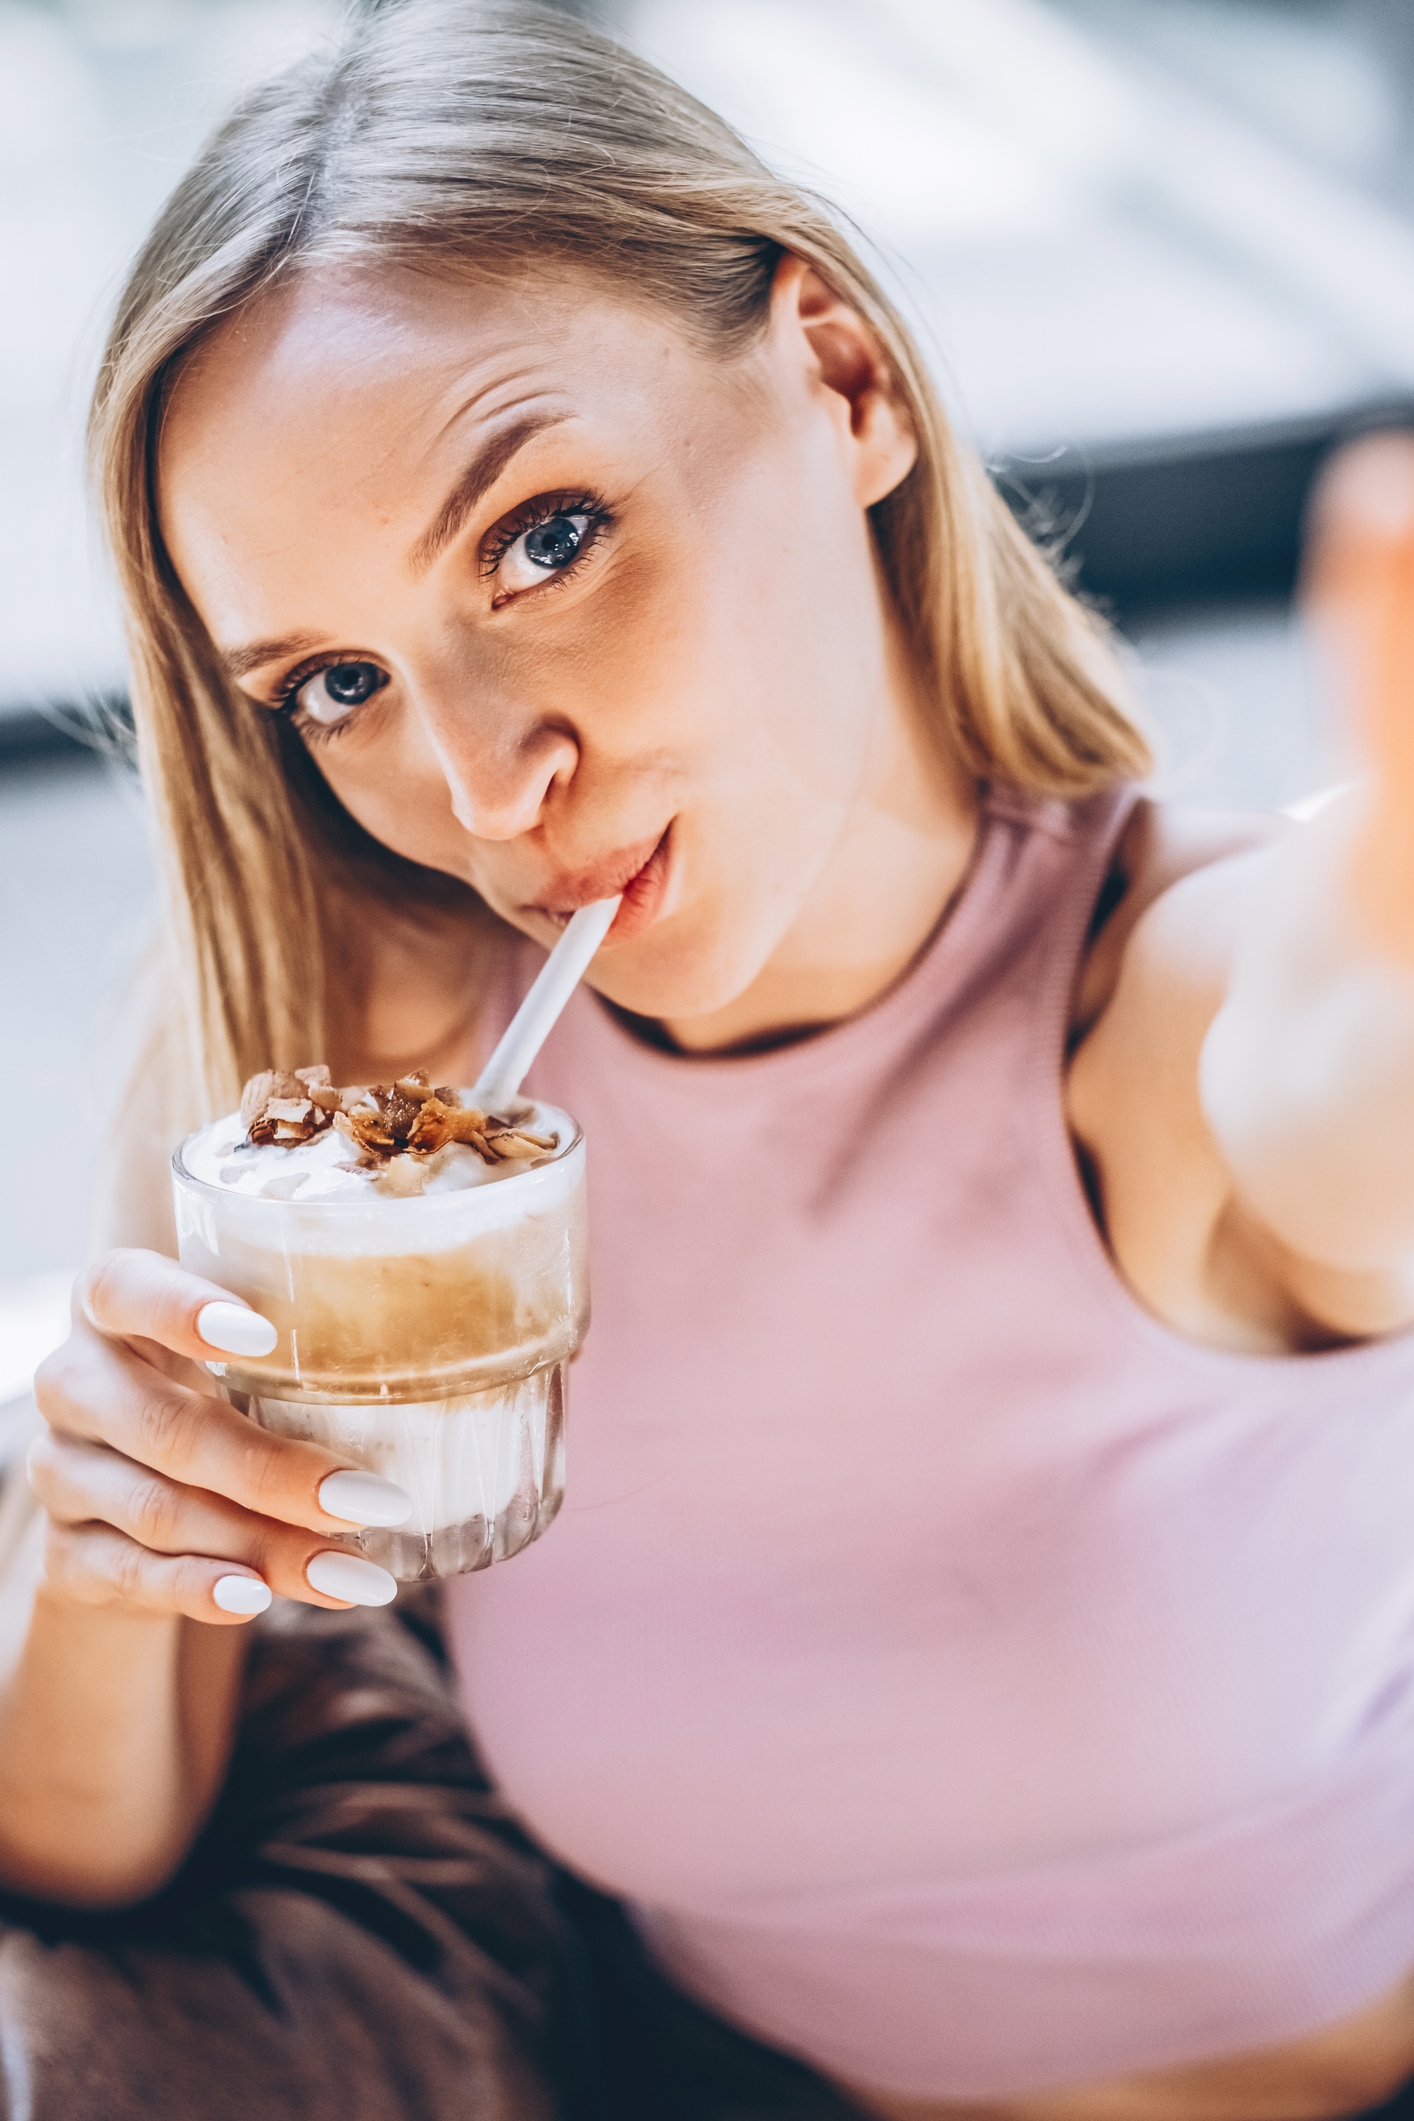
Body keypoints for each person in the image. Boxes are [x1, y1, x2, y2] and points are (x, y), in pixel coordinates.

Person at [6, 3, 1414, 2115]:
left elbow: (1345, 1057)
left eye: (542, 537)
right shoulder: (338, 1108)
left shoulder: (1179, 1007)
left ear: (838, 377)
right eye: (336, 682)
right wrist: (96, 1532)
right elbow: (80, 1852)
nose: (482, 783)